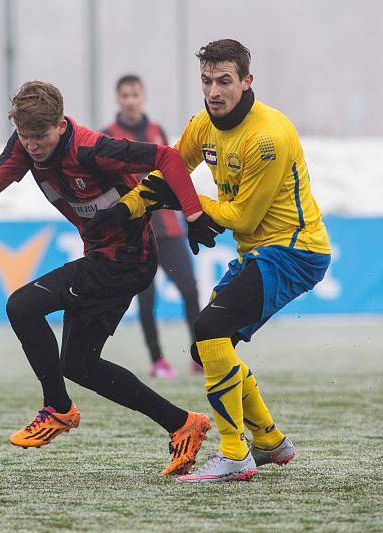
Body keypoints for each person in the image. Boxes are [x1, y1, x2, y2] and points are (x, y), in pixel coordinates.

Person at [0, 80, 224, 476]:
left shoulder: (91, 148)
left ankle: (58, 410)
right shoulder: (24, 145)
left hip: (127, 259)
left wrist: (193, 215)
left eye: (39, 135)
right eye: (25, 136)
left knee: (23, 305)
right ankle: (183, 424)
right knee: (79, 364)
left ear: (60, 125)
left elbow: (167, 157)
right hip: (102, 257)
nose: (31, 145)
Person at [100, 39, 332, 482]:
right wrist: (122, 212)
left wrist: (188, 203)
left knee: (209, 330)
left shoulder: (268, 137)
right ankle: (268, 441)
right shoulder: (203, 125)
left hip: (295, 251)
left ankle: (233, 453)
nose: (213, 91)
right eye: (207, 81)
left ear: (247, 82)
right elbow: (168, 173)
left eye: (224, 81)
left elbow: (243, 215)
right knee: (208, 346)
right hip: (261, 251)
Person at [101, 74, 201, 379]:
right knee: (146, 298)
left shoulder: (157, 131)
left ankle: (200, 356)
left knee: (190, 289)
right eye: (125, 95)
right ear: (118, 99)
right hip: (135, 231)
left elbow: (174, 171)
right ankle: (158, 359)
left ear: (143, 97)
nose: (130, 100)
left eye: (135, 94)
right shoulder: (108, 135)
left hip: (169, 229)